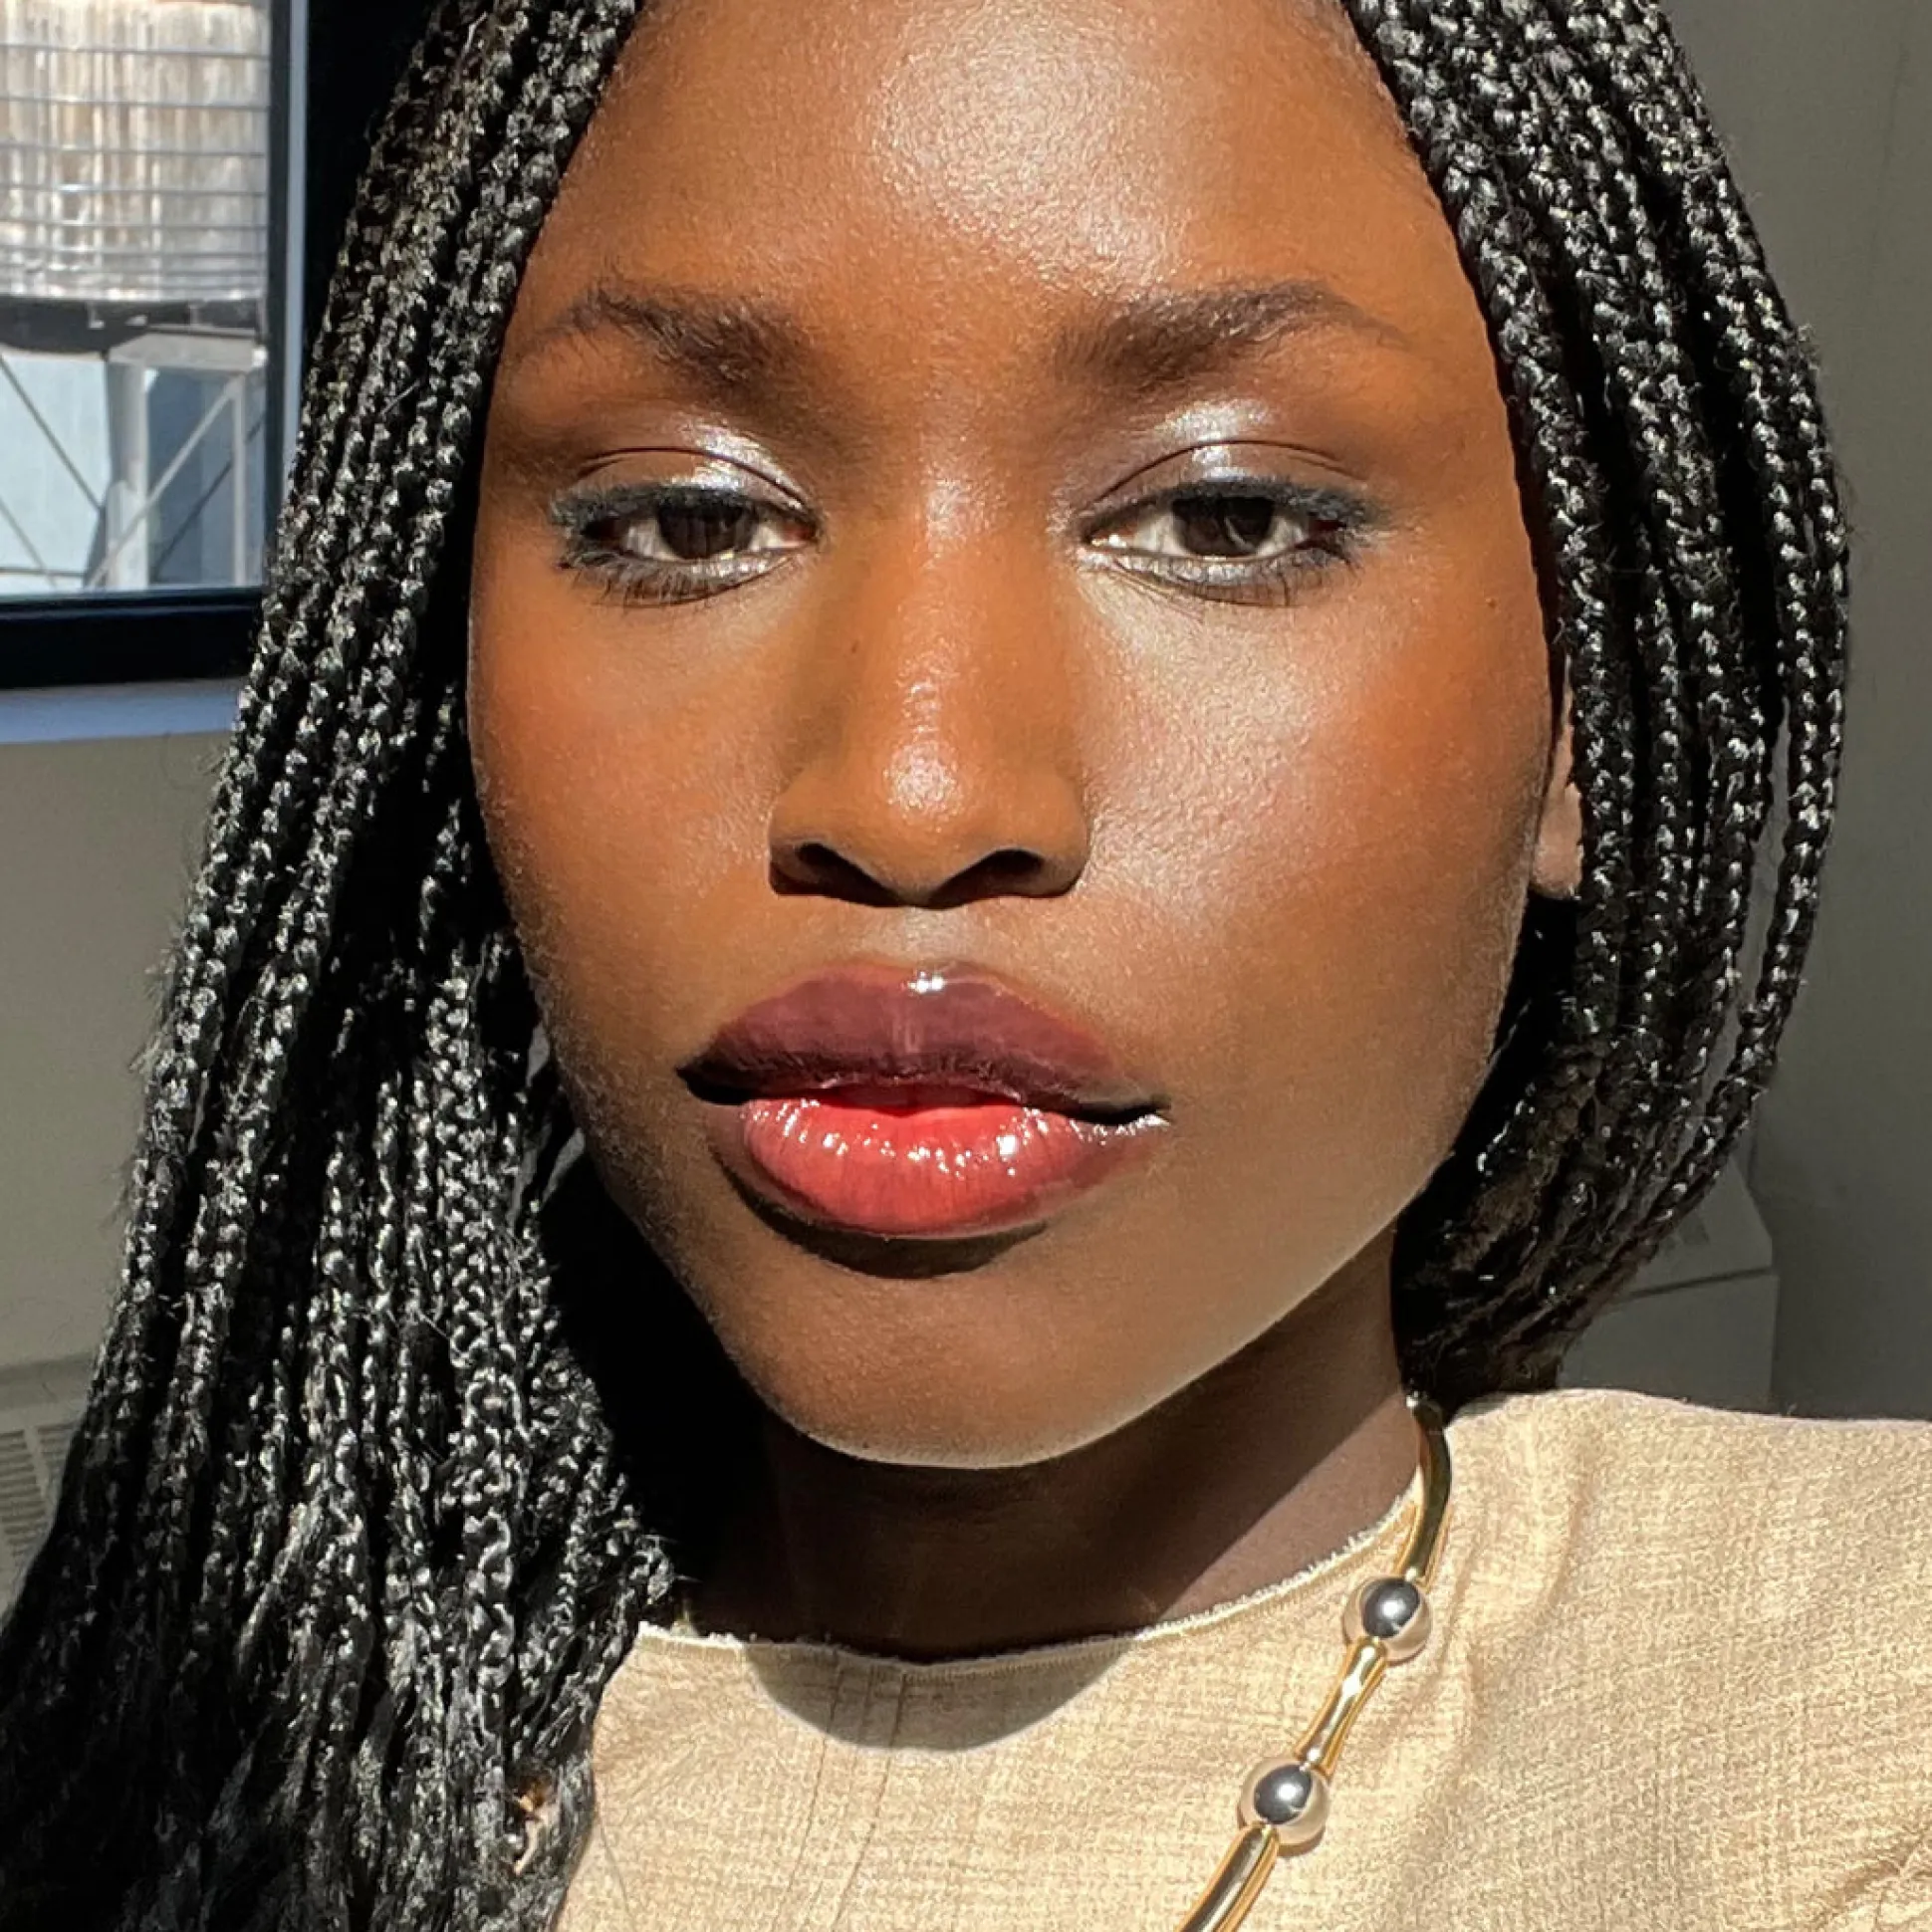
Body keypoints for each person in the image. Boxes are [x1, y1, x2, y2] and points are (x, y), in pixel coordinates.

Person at [1, 0, 1924, 1926]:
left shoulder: (1841, 1737)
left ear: (1591, 709)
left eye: (1226, 515)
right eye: (687, 518)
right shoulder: (205, 1733)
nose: (912, 796)